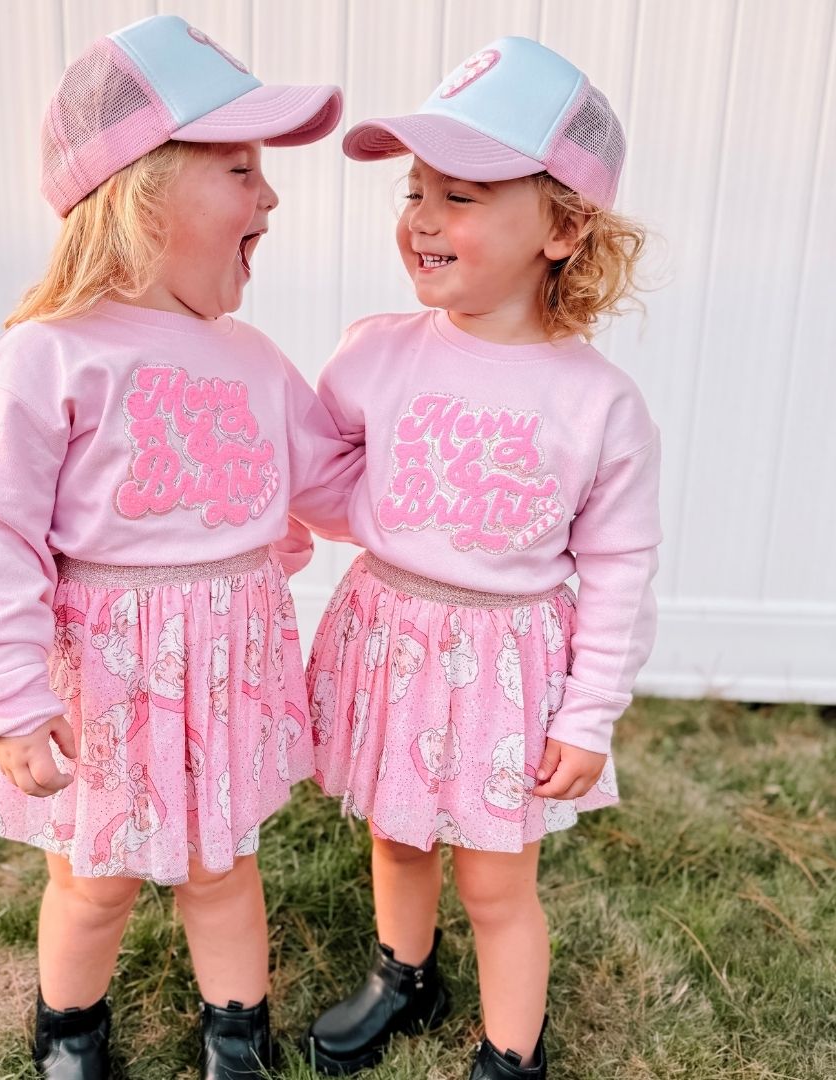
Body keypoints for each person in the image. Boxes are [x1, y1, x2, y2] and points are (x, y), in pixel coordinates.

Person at [0, 15, 356, 1080]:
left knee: (223, 865)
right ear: (143, 193)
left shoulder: (253, 358)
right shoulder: (47, 357)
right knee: (94, 877)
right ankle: (70, 1032)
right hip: (109, 681)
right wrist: (11, 695)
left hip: (224, 674)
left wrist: (451, 484)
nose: (271, 197)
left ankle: (236, 1035)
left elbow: (333, 484)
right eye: (242, 170)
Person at [301, 36, 660, 1080]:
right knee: (398, 836)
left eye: (458, 195)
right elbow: (323, 473)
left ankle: (512, 1054)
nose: (421, 217)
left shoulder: (597, 403)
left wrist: (588, 715)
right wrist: (359, 506)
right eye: (415, 191)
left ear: (563, 227)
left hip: (507, 668)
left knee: (496, 882)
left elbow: (621, 569)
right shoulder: (376, 351)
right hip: (394, 638)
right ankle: (403, 974)